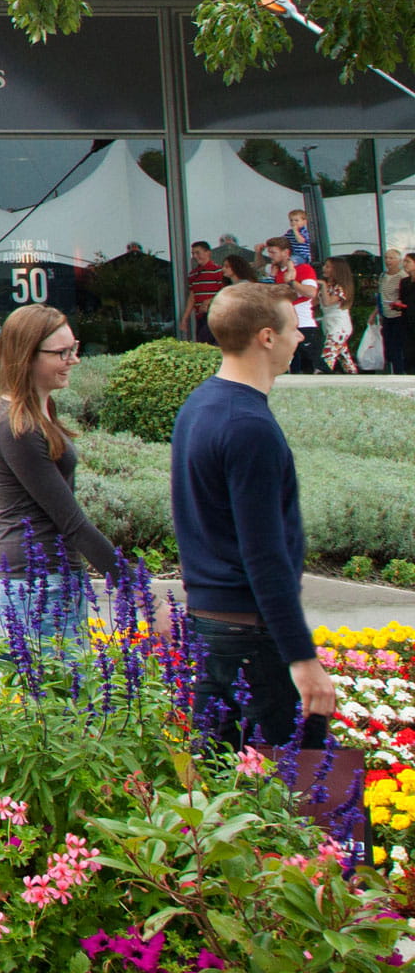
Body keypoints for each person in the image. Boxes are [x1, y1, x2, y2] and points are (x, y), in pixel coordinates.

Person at [177, 282, 339, 749]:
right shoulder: (249, 426)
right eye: (294, 328)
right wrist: (302, 658)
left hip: (211, 625)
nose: (302, 338)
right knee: (279, 798)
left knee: (210, 791)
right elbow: (264, 554)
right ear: (266, 337)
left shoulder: (200, 405)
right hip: (249, 635)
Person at [0, 304, 121, 638]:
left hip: (51, 578)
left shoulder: (36, 411)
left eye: (74, 348)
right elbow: (72, 523)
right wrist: (143, 595)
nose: (74, 360)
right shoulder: (17, 426)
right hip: (35, 585)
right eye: (62, 353)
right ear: (27, 356)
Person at [264, 236, 322, 375]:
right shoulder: (277, 272)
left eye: (274, 252)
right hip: (285, 323)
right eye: (269, 252)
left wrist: (292, 283)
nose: (271, 256)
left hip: (303, 323)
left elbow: (311, 292)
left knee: (311, 363)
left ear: (286, 252)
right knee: (293, 364)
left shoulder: (303, 269)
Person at [186, 241, 227, 344]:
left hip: (214, 315)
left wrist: (209, 301)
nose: (195, 256)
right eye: (193, 253)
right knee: (202, 342)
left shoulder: (218, 271)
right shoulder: (193, 274)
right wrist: (185, 317)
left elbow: (225, 292)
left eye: (198, 253)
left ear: (208, 253)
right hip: (199, 316)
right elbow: (192, 296)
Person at [322, 278, 359, 374]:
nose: (324, 269)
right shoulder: (328, 286)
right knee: (343, 356)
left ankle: (323, 374)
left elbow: (327, 302)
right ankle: (353, 376)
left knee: (328, 354)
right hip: (329, 323)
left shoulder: (340, 287)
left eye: (328, 266)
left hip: (339, 325)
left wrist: (323, 286)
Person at [391, 250, 414, 375]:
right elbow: (402, 298)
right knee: (407, 348)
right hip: (406, 320)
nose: (405, 264)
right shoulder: (404, 282)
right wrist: (397, 305)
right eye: (404, 261)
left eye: (408, 261)